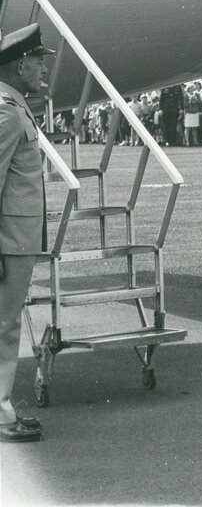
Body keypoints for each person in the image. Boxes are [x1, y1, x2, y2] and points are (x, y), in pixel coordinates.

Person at [0, 24, 55, 443]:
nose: (43, 71)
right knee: (4, 325)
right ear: (21, 64)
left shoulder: (15, 105)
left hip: (16, 238)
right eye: (39, 63)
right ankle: (1, 415)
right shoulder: (6, 111)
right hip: (8, 241)